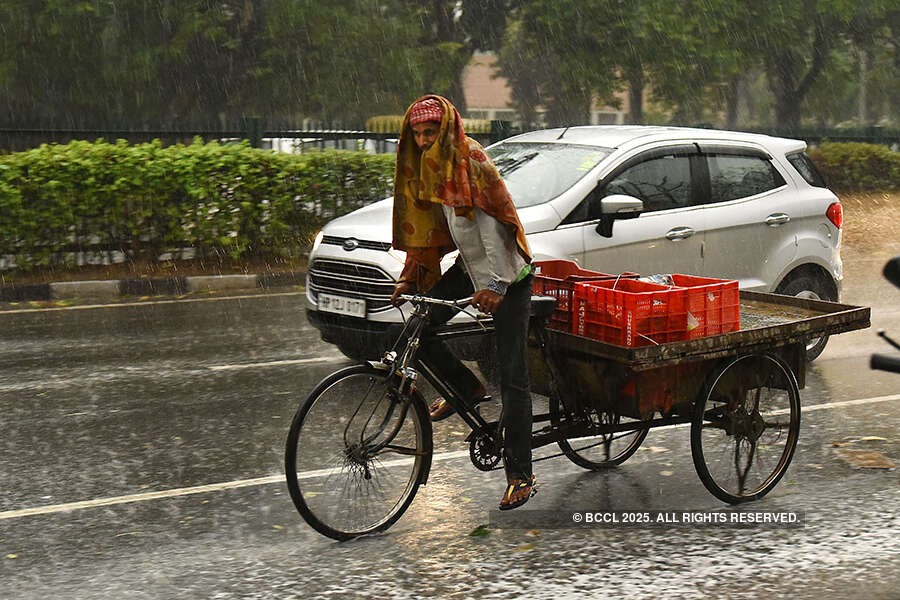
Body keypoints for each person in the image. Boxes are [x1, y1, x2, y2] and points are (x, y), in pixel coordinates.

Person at [389, 95, 536, 510]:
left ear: (446, 130)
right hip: (470, 269)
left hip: (509, 273)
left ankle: (521, 475)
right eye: (416, 134)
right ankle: (466, 389)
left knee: (513, 378)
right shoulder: (431, 166)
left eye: (429, 133)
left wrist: (497, 285)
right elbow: (430, 230)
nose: (422, 141)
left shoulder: (470, 162)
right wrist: (411, 277)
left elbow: (498, 234)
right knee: (417, 330)